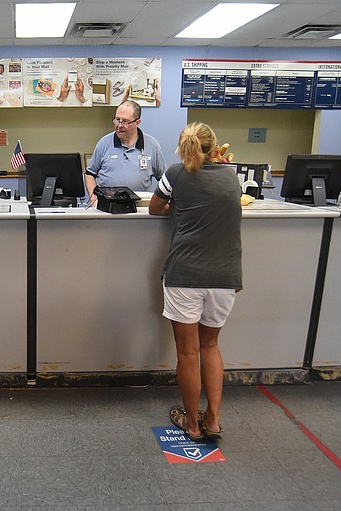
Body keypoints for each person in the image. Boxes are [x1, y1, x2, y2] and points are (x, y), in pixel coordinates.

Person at [148, 122, 243, 441]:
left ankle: (191, 424)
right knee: (211, 345)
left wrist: (181, 207)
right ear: (215, 148)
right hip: (225, 276)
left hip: (185, 274)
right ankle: (213, 420)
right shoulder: (231, 177)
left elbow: (154, 209)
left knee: (188, 353)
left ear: (182, 147)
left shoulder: (175, 173)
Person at [85, 99, 166, 206]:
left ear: (137, 122)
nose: (119, 125)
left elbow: (163, 180)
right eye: (117, 120)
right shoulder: (104, 143)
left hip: (139, 207)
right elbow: (90, 174)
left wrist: (159, 203)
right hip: (108, 207)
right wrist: (94, 199)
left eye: (125, 121)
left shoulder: (152, 145)